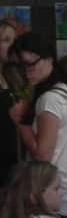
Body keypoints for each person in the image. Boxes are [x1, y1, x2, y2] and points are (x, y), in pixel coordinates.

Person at [8, 32, 67, 218]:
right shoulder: (65, 89)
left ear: (49, 59)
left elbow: (43, 155)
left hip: (57, 193)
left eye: (31, 64)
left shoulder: (49, 99)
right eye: (20, 66)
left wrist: (20, 123)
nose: (26, 71)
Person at [0, 20, 23, 185]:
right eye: (6, 40)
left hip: (13, 162)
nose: (12, 45)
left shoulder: (11, 76)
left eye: (14, 40)